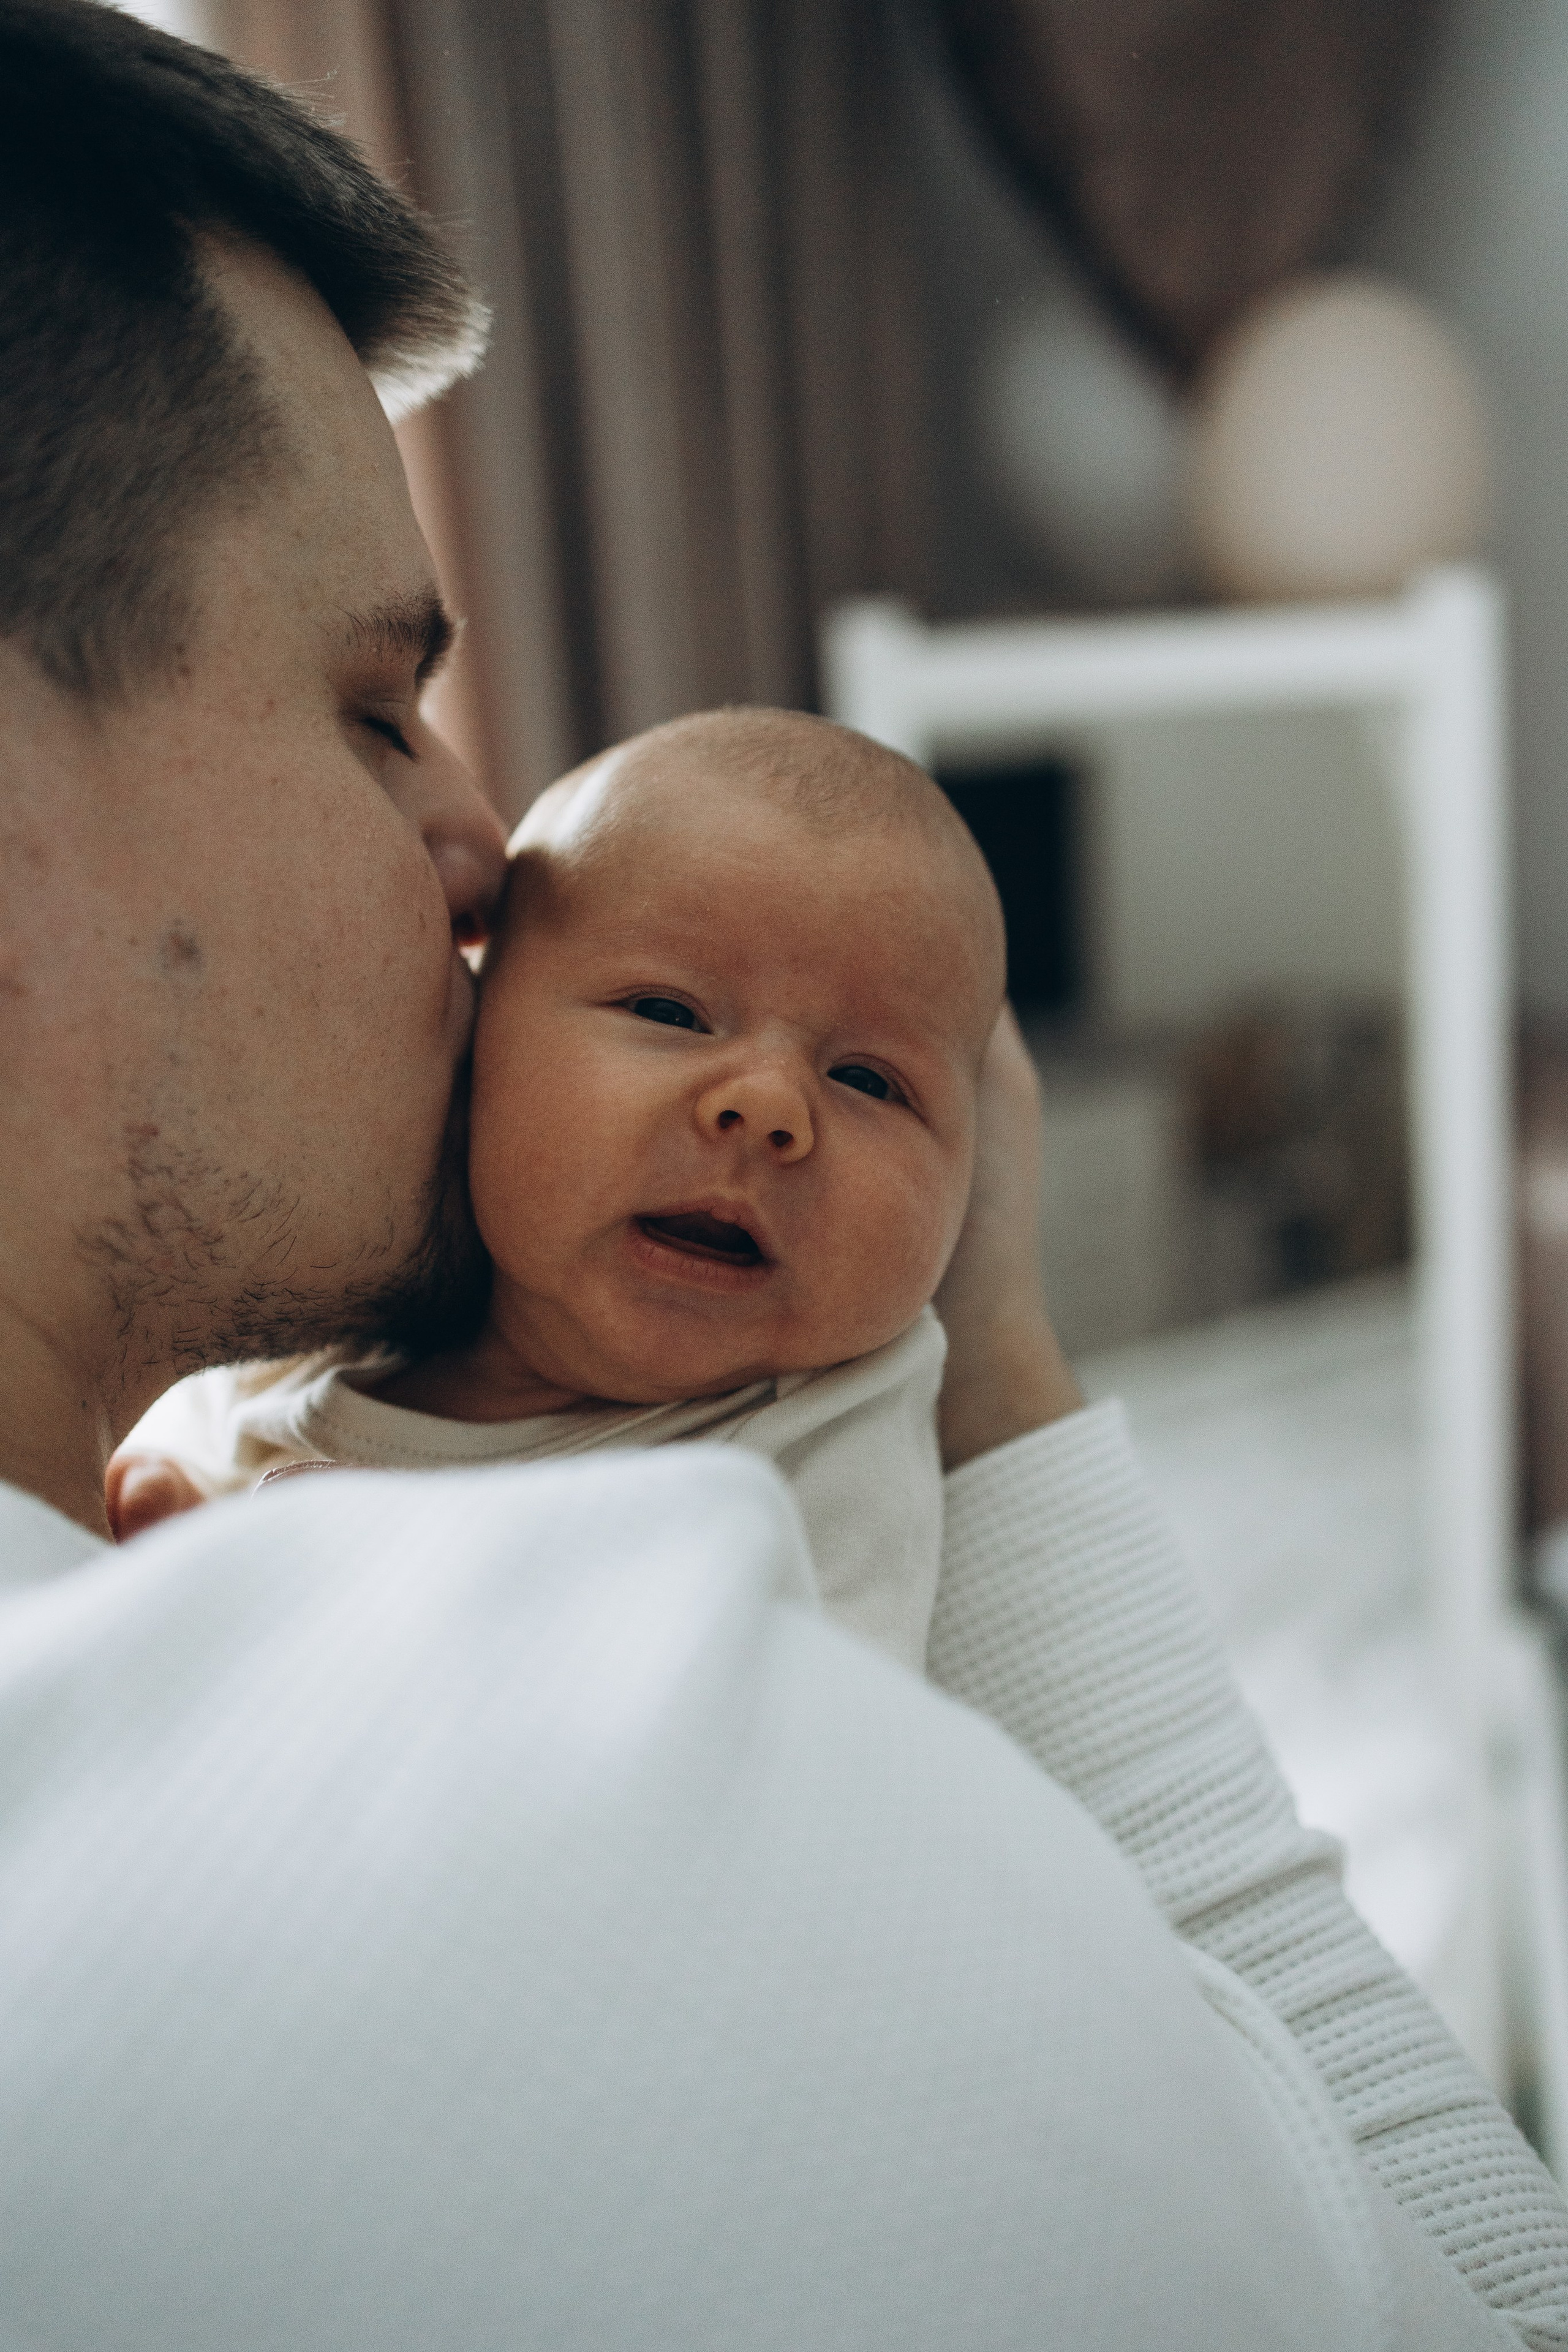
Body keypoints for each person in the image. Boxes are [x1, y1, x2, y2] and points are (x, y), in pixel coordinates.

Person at [0, 4, 1559, 2345]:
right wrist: (1013, 1376)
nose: (468, 841)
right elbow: (1485, 2284)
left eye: (878, 1080)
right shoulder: (632, 1790)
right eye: (369, 708)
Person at [110, 707, 1009, 1673]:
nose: (768, 1105)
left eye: (871, 1081)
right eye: (669, 1011)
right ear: (476, 1035)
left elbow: (784, 1761)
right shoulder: (316, 1318)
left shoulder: (821, 1440)